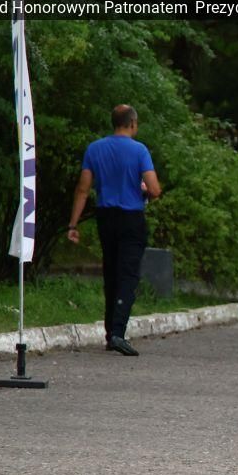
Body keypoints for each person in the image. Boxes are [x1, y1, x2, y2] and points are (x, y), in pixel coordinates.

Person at [67, 104, 162, 356]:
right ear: (132, 124)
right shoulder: (139, 150)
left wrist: (73, 224)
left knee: (111, 271)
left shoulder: (94, 149)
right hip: (131, 218)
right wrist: (143, 190)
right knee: (128, 275)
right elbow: (154, 189)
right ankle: (119, 332)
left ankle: (110, 332)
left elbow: (83, 189)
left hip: (105, 217)